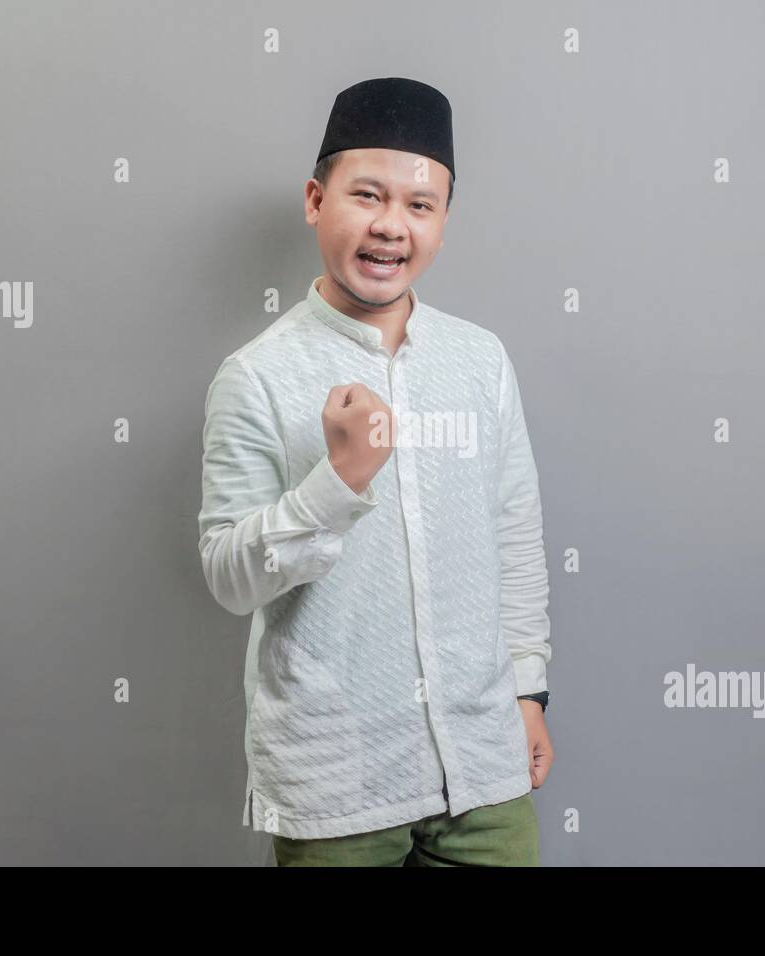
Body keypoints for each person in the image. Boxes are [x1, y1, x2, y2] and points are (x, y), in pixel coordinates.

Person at [198, 77, 553, 866]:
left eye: (420, 205)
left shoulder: (480, 361)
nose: (392, 226)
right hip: (338, 784)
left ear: (444, 220)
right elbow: (227, 577)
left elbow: (514, 538)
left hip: (483, 768)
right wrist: (341, 480)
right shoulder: (255, 376)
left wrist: (529, 694)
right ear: (316, 200)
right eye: (368, 195)